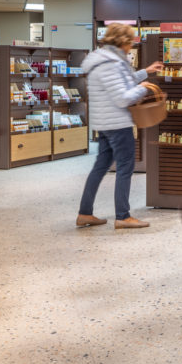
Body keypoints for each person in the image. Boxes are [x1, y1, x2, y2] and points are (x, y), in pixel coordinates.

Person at [76, 23, 162, 229]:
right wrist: (143, 89)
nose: (131, 45)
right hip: (117, 123)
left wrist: (145, 72)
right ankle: (123, 216)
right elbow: (123, 97)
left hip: (104, 123)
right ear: (122, 41)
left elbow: (122, 81)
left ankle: (85, 213)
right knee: (125, 167)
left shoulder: (102, 60)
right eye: (130, 41)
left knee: (100, 167)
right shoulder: (112, 63)